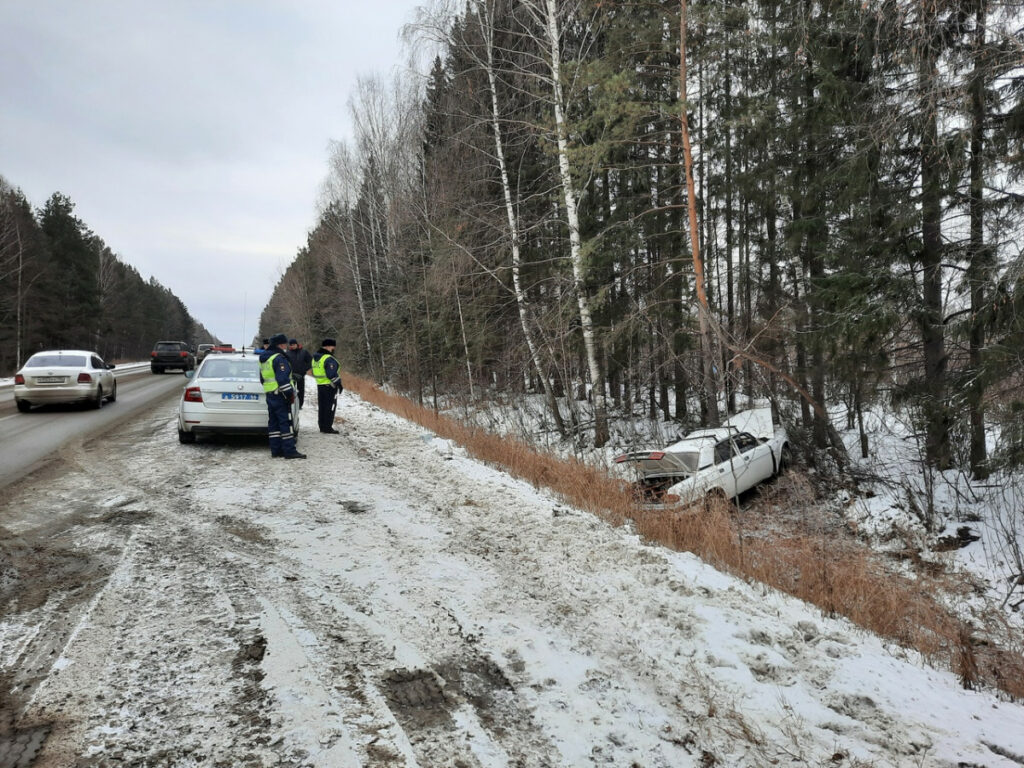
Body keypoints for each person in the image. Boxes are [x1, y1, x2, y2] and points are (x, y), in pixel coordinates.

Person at [258, 334, 305, 459]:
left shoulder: (264, 358)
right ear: (280, 345)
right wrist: (289, 394)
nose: (286, 346)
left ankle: (276, 450)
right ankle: (289, 451)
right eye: (285, 344)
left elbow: (263, 379)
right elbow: (282, 380)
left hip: (270, 394)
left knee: (273, 423)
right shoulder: (279, 358)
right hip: (280, 395)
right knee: (286, 423)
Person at [311, 338, 343, 434]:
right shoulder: (328, 358)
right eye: (333, 346)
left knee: (322, 407)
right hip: (330, 386)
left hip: (320, 385)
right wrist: (339, 384)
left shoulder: (315, 358)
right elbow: (331, 374)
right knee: (330, 406)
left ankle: (322, 426)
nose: (334, 348)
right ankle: (328, 427)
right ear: (329, 346)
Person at [285, 338, 313, 408]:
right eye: (291, 345)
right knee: (291, 390)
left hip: (301, 375)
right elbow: (285, 364)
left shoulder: (304, 352)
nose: (292, 346)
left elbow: (311, 361)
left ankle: (300, 405)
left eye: (293, 344)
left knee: (301, 391)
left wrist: (304, 369)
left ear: (297, 344)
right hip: (291, 375)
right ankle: (291, 404)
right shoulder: (287, 353)